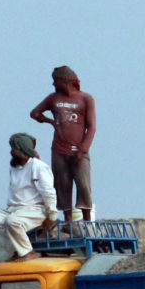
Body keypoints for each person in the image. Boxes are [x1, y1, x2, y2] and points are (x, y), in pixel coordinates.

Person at [29, 65, 96, 223]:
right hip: (59, 149)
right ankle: (68, 220)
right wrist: (50, 121)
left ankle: (87, 221)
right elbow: (35, 113)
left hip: (79, 149)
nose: (54, 84)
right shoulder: (53, 98)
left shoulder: (86, 99)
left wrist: (83, 149)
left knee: (83, 185)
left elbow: (92, 127)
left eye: (56, 81)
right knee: (62, 185)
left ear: (65, 81)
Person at [0, 133, 56, 259]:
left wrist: (51, 216)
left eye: (14, 149)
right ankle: (16, 250)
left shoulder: (38, 167)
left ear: (22, 151)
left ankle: (27, 252)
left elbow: (48, 192)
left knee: (13, 222)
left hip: (34, 209)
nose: (11, 153)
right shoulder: (14, 168)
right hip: (14, 209)